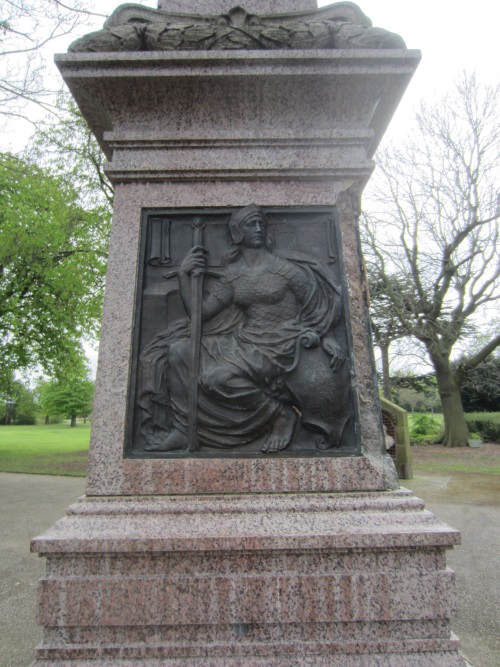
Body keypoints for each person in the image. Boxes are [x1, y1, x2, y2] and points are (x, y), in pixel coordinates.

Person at [139, 204, 345, 453]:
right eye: (251, 224)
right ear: (237, 232)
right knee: (179, 351)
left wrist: (327, 337)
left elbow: (317, 306)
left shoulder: (287, 270)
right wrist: (184, 275)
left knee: (216, 378)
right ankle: (184, 430)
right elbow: (200, 314)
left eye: (261, 224)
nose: (258, 228)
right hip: (245, 341)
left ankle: (281, 415)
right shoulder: (233, 276)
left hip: (281, 345)